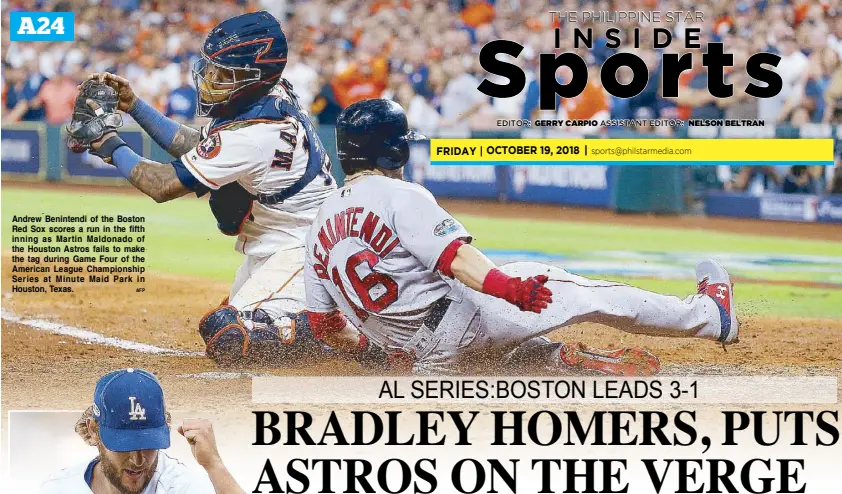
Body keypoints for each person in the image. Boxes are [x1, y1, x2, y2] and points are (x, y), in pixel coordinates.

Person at [301, 99, 740, 376]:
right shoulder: (400, 194)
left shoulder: (319, 222)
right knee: (585, 293)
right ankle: (709, 315)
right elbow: (457, 259)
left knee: (505, 354)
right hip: (460, 326)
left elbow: (325, 326)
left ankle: (567, 364)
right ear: (396, 150)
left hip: (420, 363)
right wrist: (507, 287)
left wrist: (378, 352)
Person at [69, 11, 344, 367]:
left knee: (229, 336)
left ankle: (339, 326)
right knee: (226, 321)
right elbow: (198, 144)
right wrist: (134, 106)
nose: (210, 79)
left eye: (224, 74)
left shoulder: (255, 134)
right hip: (285, 242)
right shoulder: (269, 96)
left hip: (302, 250)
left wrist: (108, 143)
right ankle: (322, 311)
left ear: (256, 77)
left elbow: (162, 184)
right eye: (211, 69)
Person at [39, 368, 244, 493]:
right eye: (124, 445)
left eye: (148, 444)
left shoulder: (178, 486)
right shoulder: (59, 488)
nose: (138, 461)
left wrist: (214, 466)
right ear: (94, 431)